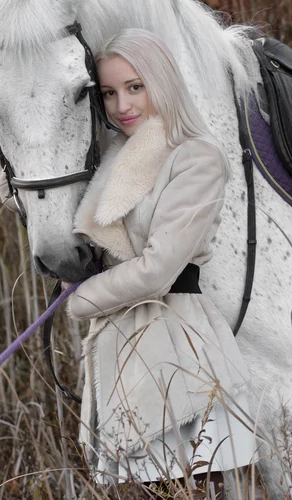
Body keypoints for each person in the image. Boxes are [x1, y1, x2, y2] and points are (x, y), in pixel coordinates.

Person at [66, 29, 257, 497]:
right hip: (123, 351)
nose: (121, 105)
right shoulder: (116, 160)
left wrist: (82, 299)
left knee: (196, 485)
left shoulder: (195, 157)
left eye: (135, 86)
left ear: (163, 82)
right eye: (109, 93)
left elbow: (157, 269)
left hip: (178, 350)